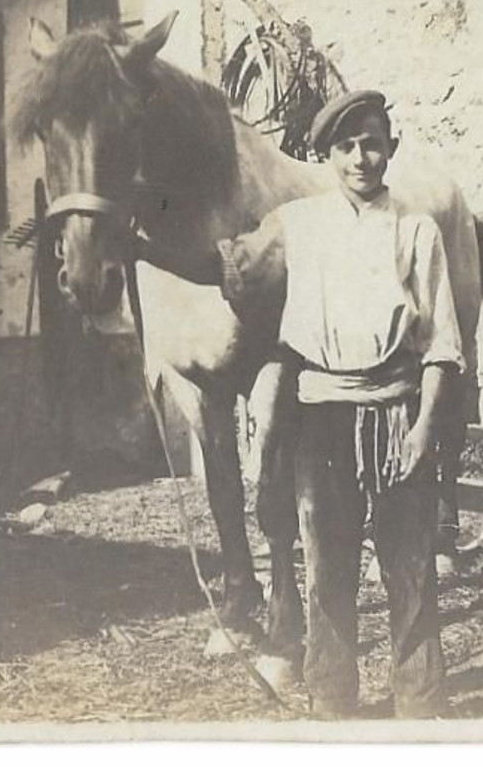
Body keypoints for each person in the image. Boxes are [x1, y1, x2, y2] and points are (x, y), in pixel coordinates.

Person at [137, 90, 461, 718]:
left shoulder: (418, 231)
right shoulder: (299, 225)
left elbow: (443, 344)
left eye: (373, 144)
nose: (361, 158)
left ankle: (420, 705)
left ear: (390, 149)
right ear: (328, 155)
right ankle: (333, 700)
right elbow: (225, 267)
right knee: (328, 566)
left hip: (397, 410)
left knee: (410, 566)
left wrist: (425, 426)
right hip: (322, 417)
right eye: (347, 147)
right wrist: (144, 249)